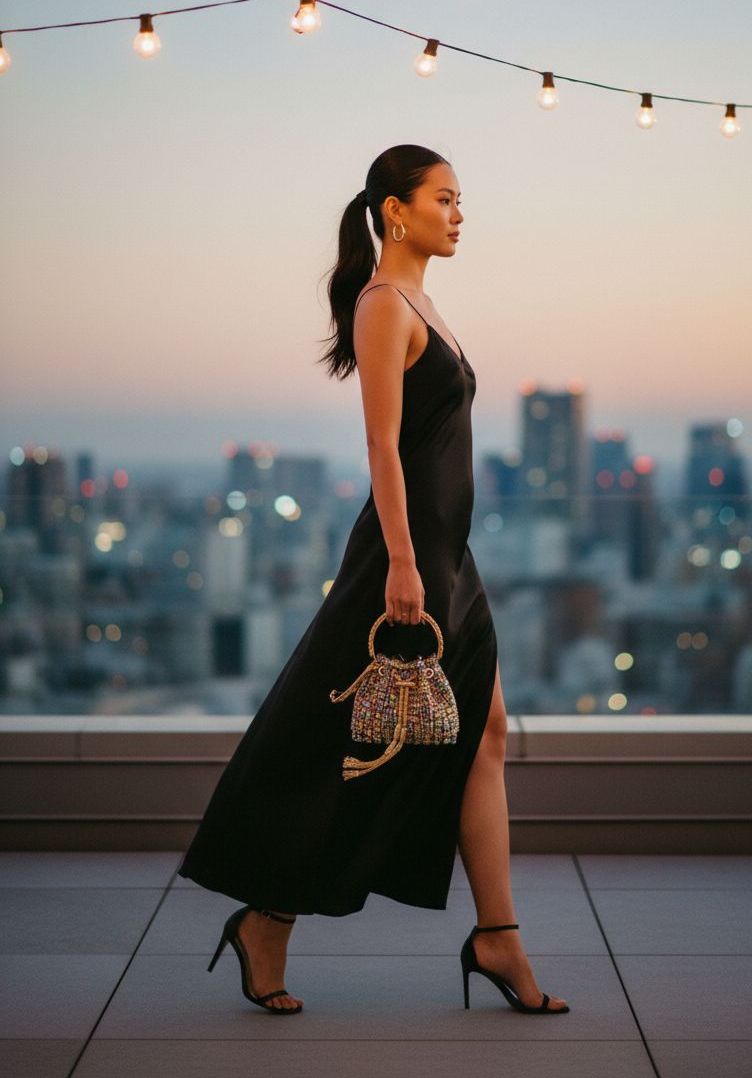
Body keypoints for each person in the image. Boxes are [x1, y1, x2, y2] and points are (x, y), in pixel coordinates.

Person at [178, 143, 569, 1016]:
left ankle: (496, 937)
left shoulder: (420, 300)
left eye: (461, 199)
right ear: (396, 210)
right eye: (445, 197)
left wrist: (429, 557)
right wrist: (399, 562)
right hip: (406, 560)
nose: (460, 212)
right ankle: (268, 919)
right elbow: (382, 447)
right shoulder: (385, 305)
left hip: (444, 555)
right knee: (333, 740)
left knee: (485, 733)